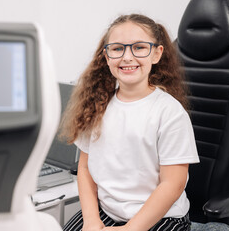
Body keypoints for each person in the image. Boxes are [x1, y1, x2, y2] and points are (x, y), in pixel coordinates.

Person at [60, 14, 200, 231]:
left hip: (161, 217)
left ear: (156, 54)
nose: (127, 57)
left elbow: (173, 184)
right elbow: (85, 168)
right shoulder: (96, 105)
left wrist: (130, 229)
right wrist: (90, 220)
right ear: (106, 56)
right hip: (108, 212)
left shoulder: (170, 112)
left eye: (139, 47)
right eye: (117, 49)